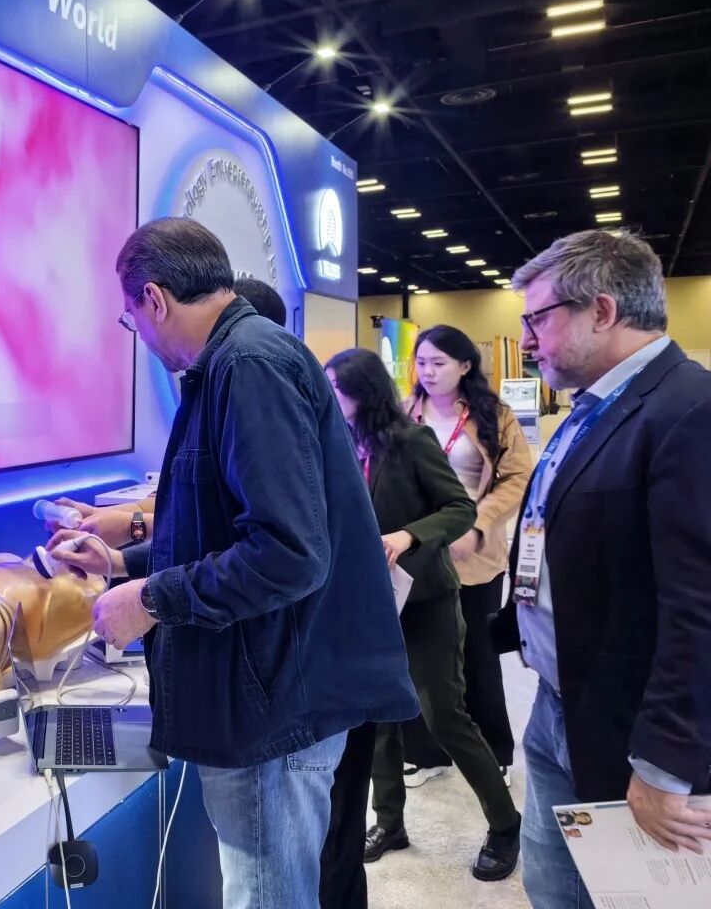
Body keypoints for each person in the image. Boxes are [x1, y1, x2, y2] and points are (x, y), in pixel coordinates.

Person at [51, 218, 418, 908]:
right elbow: (220, 526)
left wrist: (151, 600)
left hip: (273, 704)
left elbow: (287, 553)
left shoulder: (247, 365)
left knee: (269, 894)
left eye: (132, 319)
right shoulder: (236, 362)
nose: (140, 336)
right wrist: (126, 562)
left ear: (154, 298)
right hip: (268, 691)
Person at [492, 229, 711, 908]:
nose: (526, 340)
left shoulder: (688, 411)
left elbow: (699, 607)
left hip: (631, 725)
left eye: (537, 319)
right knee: (555, 890)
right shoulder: (594, 406)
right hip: (561, 703)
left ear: (603, 311)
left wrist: (664, 765)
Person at [324, 348, 522, 884]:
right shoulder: (339, 443)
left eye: (335, 388)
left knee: (444, 716)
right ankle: (389, 822)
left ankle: (505, 824)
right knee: (377, 718)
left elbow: (458, 508)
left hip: (426, 598)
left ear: (362, 391)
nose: (329, 398)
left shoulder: (413, 440)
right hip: (370, 604)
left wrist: (410, 536)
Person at [44, 275, 288, 550]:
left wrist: (132, 527)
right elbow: (183, 501)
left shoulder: (254, 398)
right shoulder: (213, 386)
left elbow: (227, 529)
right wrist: (102, 517)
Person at [399, 326, 532, 788]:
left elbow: (517, 478)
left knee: (477, 654)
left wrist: (477, 522)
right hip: (417, 553)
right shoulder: (404, 413)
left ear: (465, 365)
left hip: (474, 552)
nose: (428, 372)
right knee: (418, 655)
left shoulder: (495, 416)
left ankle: (494, 750)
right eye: (421, 362)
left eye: (439, 363)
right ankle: (424, 752)